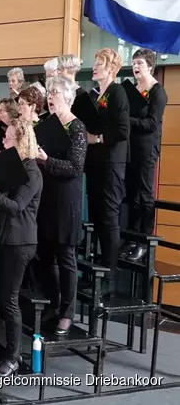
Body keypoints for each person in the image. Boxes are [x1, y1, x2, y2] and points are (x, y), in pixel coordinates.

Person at [0, 119, 42, 377]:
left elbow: (16, 206)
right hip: (6, 238)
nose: (3, 141)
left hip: (21, 241)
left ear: (21, 140)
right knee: (0, 298)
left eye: (8, 137)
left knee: (10, 300)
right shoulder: (12, 167)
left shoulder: (32, 172)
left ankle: (14, 357)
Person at [36, 77, 87, 336]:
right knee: (45, 256)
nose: (50, 96)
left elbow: (76, 168)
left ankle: (67, 313)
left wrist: (47, 161)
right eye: (49, 92)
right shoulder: (47, 124)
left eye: (55, 92)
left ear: (68, 97)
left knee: (66, 259)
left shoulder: (77, 128)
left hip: (67, 199)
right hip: (47, 196)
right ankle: (53, 304)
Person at [84, 48, 129, 295]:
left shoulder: (118, 92)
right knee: (98, 216)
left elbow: (123, 130)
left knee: (109, 218)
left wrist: (98, 138)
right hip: (95, 164)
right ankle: (100, 271)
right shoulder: (96, 94)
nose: (94, 67)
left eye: (99, 62)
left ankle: (109, 274)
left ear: (111, 67)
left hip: (111, 163)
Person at [124, 49, 167, 261]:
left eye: (140, 62)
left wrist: (127, 120)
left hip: (147, 149)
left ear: (150, 65)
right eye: (133, 63)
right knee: (132, 193)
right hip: (131, 148)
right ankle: (131, 237)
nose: (136, 66)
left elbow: (151, 123)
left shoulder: (158, 92)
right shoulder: (132, 89)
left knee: (144, 194)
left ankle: (144, 239)